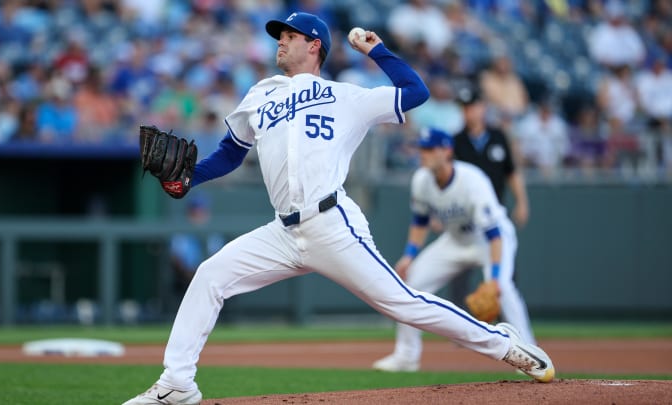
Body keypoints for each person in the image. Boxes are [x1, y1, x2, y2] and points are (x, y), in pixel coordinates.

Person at [123, 12, 554, 405]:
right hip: (282, 233)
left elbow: (416, 92)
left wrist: (376, 51)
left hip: (332, 224)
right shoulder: (261, 94)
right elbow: (231, 153)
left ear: (314, 46)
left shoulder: (347, 97)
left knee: (403, 304)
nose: (281, 42)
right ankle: (177, 383)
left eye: (290, 36)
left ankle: (503, 343)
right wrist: (190, 177)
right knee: (211, 276)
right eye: (279, 36)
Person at [372, 128, 539, 373]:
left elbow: (494, 235)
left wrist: (493, 278)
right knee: (412, 283)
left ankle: (529, 352)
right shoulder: (421, 180)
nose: (423, 154)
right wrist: (409, 255)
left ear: (447, 151)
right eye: (422, 148)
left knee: (502, 289)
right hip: (456, 240)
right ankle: (406, 356)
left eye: (429, 149)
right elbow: (420, 221)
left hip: (490, 240)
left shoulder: (472, 181)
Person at [447, 84, 531, 315]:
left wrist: (522, 202)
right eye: (464, 108)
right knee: (459, 275)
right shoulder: (456, 141)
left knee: (504, 276)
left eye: (472, 106)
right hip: (464, 219)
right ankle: (462, 326)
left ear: (482, 107)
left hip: (493, 217)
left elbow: (512, 172)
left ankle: (507, 323)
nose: (468, 112)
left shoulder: (497, 136)